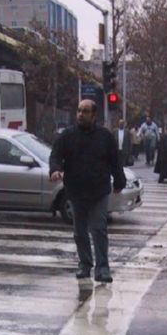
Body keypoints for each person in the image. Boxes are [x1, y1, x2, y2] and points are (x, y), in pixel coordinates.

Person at [49, 99, 125, 283]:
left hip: (98, 190)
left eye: (85, 111)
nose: (81, 114)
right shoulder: (68, 136)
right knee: (80, 232)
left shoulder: (105, 137)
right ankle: (84, 264)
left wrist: (119, 181)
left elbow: (115, 161)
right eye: (79, 111)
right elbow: (56, 155)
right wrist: (55, 170)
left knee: (98, 229)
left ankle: (102, 268)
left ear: (93, 115)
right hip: (76, 191)